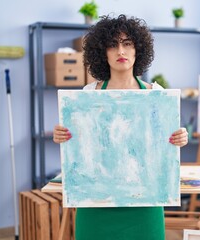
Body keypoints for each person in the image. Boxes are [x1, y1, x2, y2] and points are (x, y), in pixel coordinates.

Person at [53, 14, 188, 240]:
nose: (121, 52)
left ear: (138, 50)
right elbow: (79, 149)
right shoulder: (88, 95)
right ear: (102, 53)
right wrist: (62, 135)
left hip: (145, 204)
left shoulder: (157, 94)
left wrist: (180, 136)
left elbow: (164, 146)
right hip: (95, 205)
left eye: (127, 44)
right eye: (112, 45)